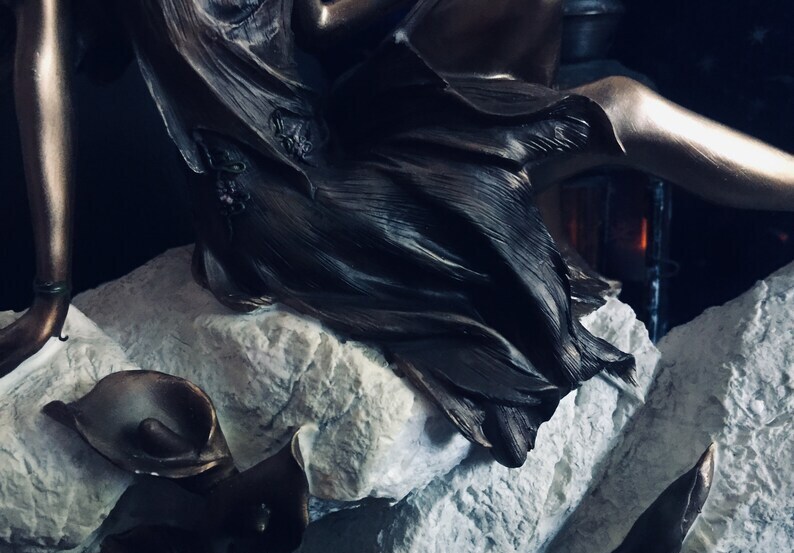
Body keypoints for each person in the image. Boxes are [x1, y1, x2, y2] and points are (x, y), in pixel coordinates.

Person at [1, 0, 793, 467]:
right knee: (619, 109)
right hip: (282, 208)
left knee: (618, 102)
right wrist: (50, 291)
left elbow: (318, 19)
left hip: (340, 141)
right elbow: (41, 73)